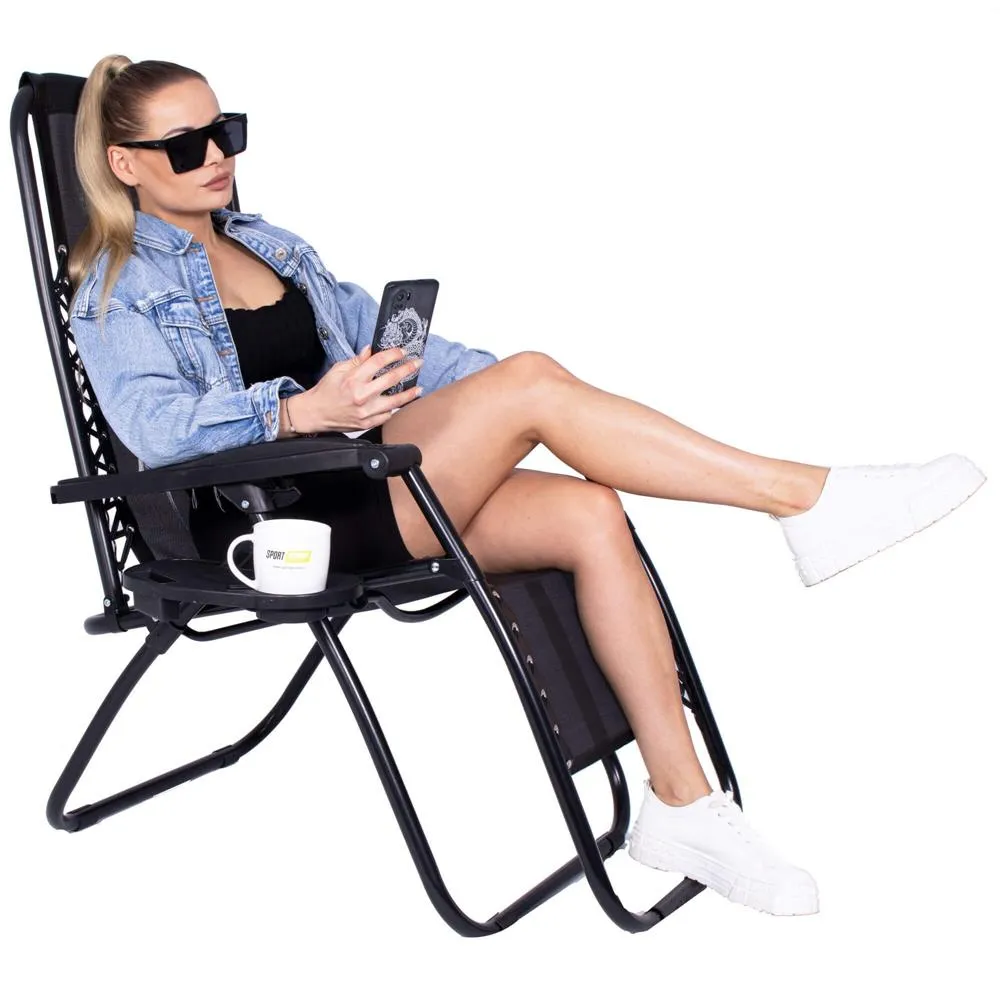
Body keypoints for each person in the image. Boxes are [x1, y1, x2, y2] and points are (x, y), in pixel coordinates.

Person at [68, 54, 987, 918]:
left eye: (225, 131)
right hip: (280, 521)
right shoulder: (114, 286)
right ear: (125, 164)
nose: (218, 156)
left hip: (371, 470)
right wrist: (305, 410)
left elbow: (396, 352)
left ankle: (679, 804)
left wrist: (514, 398)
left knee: (588, 507)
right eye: (186, 146)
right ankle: (806, 499)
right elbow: (155, 431)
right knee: (535, 386)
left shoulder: (270, 244)